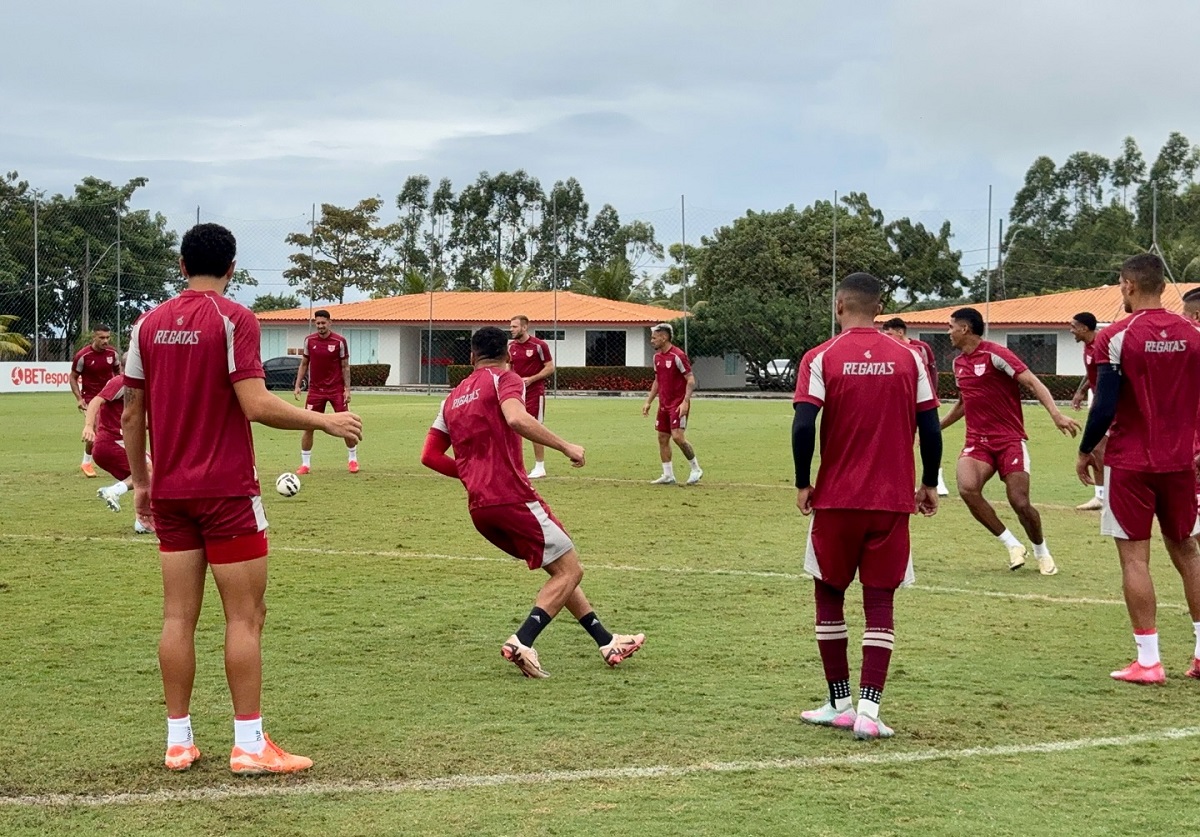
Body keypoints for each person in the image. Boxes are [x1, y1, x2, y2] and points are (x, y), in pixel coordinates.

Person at [123, 223, 363, 774]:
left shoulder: (147, 324)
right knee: (245, 617)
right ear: (232, 268)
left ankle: (178, 741)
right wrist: (323, 424)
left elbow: (131, 413)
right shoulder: (235, 319)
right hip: (227, 492)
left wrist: (141, 482)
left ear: (180, 266)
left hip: (172, 493)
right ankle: (249, 744)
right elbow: (255, 404)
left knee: (177, 617)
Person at [421, 326, 644, 678]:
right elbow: (516, 417)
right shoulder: (506, 378)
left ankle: (607, 641)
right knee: (571, 570)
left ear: (471, 357)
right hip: (512, 497)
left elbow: (430, 456)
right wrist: (566, 446)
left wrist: (470, 476)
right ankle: (522, 642)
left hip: (480, 507)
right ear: (509, 354)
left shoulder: (450, 399)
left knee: (559, 571)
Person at [794, 273, 942, 740]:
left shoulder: (820, 357)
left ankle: (837, 701)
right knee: (880, 601)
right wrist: (929, 482)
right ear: (880, 308)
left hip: (835, 499)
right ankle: (868, 711)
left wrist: (803, 482)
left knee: (829, 594)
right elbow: (932, 427)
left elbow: (802, 425)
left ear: (839, 306)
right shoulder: (909, 357)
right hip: (891, 501)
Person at [1076, 256, 1200, 683]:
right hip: (1181, 462)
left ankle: (1148, 661)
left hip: (1130, 462)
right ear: (1163, 286)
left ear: (1128, 285)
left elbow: (1105, 403)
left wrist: (1086, 448)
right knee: (1187, 550)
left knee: (1134, 558)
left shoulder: (1115, 336)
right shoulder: (1194, 333)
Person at [940, 308, 1080, 575]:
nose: (948, 332)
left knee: (1019, 502)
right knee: (968, 488)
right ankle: (1013, 545)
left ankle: (1042, 551)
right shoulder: (959, 364)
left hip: (1009, 441)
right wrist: (936, 428)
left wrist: (1056, 415)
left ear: (965, 329)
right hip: (977, 442)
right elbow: (963, 403)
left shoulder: (996, 354)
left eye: (950, 327)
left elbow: (1033, 383)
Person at [880, 317, 950, 496]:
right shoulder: (888, 349)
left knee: (929, 438)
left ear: (900, 332)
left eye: (889, 334)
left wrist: (932, 396)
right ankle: (899, 480)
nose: (886, 337)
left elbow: (931, 373)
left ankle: (937, 479)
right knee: (902, 440)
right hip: (900, 404)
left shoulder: (920, 348)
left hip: (922, 401)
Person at [81, 365, 154, 534]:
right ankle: (113, 491)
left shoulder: (140, 386)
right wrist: (88, 426)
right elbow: (95, 401)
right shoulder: (121, 381)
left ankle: (142, 522)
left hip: (117, 443)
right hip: (111, 443)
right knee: (149, 471)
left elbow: (136, 420)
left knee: (148, 477)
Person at [293, 309, 358, 474]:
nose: (320, 326)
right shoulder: (309, 341)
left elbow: (345, 367)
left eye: (323, 323)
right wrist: (298, 385)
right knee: (308, 425)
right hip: (315, 390)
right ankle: (305, 464)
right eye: (318, 323)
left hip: (336, 389)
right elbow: (304, 364)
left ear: (330, 322)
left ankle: (352, 460)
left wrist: (347, 389)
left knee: (346, 423)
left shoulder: (339, 341)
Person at [642, 323, 702, 485]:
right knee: (662, 438)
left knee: (677, 437)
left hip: (677, 404)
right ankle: (668, 475)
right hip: (664, 404)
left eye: (654, 338)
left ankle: (696, 469)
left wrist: (685, 402)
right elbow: (657, 381)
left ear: (664, 337)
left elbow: (690, 379)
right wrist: (648, 401)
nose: (652, 341)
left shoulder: (678, 355)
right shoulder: (657, 358)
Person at [508, 315, 556, 479]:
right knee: (511, 426)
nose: (511, 329)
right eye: (511, 327)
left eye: (514, 327)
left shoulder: (539, 346)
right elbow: (509, 368)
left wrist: (531, 379)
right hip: (515, 393)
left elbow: (550, 368)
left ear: (524, 327)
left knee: (535, 427)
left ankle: (540, 467)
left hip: (535, 392)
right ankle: (513, 464)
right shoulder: (511, 347)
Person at [70, 324, 120, 477]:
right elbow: (73, 377)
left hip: (111, 398)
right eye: (102, 338)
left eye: (107, 337)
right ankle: (86, 462)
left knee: (117, 429)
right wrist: (79, 398)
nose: (105, 341)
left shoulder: (113, 353)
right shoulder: (83, 356)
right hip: (91, 399)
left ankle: (119, 458)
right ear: (94, 338)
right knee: (96, 430)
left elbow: (119, 372)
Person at [1069, 312, 1105, 510]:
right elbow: (1092, 371)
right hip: (1097, 399)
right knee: (1097, 450)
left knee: (1099, 449)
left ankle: (1105, 497)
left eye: (1073, 326)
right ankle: (1101, 496)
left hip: (1108, 403)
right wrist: (1081, 391)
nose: (1071, 330)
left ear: (1084, 328)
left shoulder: (1102, 344)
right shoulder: (1089, 345)